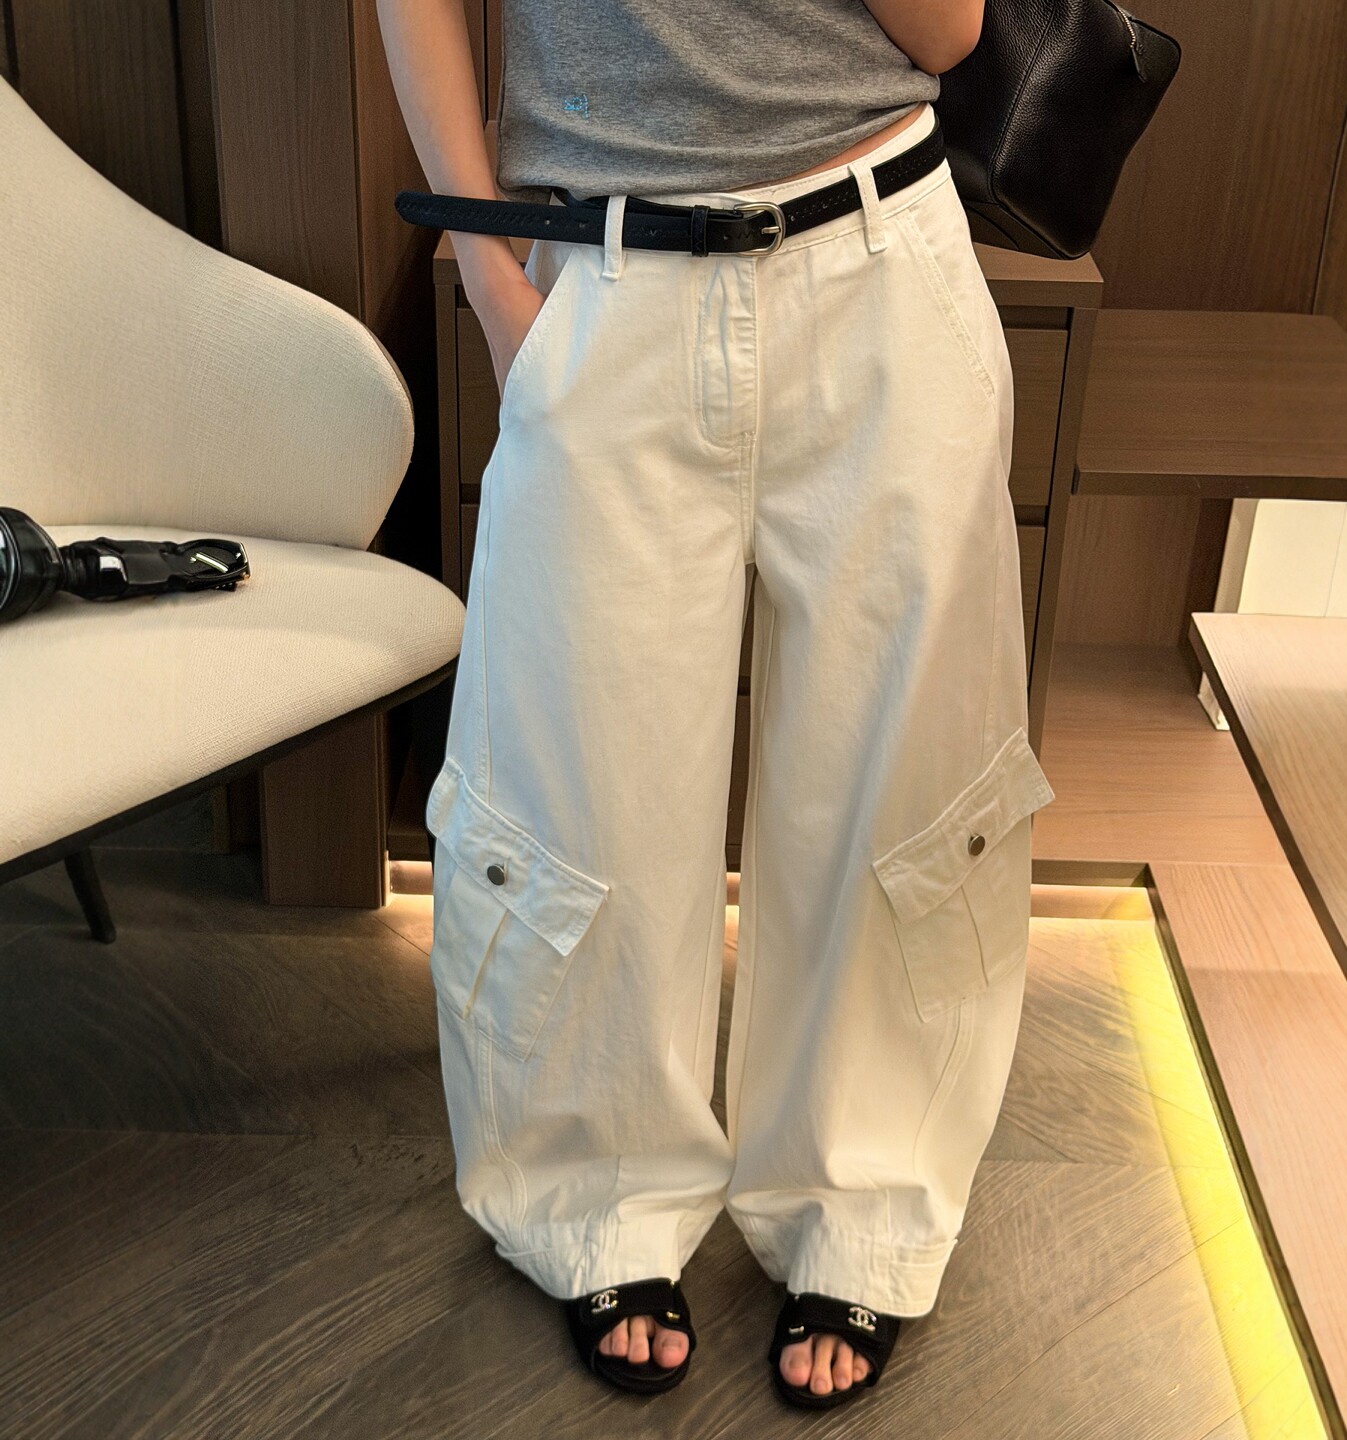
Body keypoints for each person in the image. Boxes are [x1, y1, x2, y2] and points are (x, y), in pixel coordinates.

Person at [377, 0, 1055, 1409]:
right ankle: (597, 1197)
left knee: (893, 785)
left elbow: (947, 33)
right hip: (601, 271)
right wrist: (490, 275)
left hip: (878, 256)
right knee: (586, 784)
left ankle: (861, 1204)